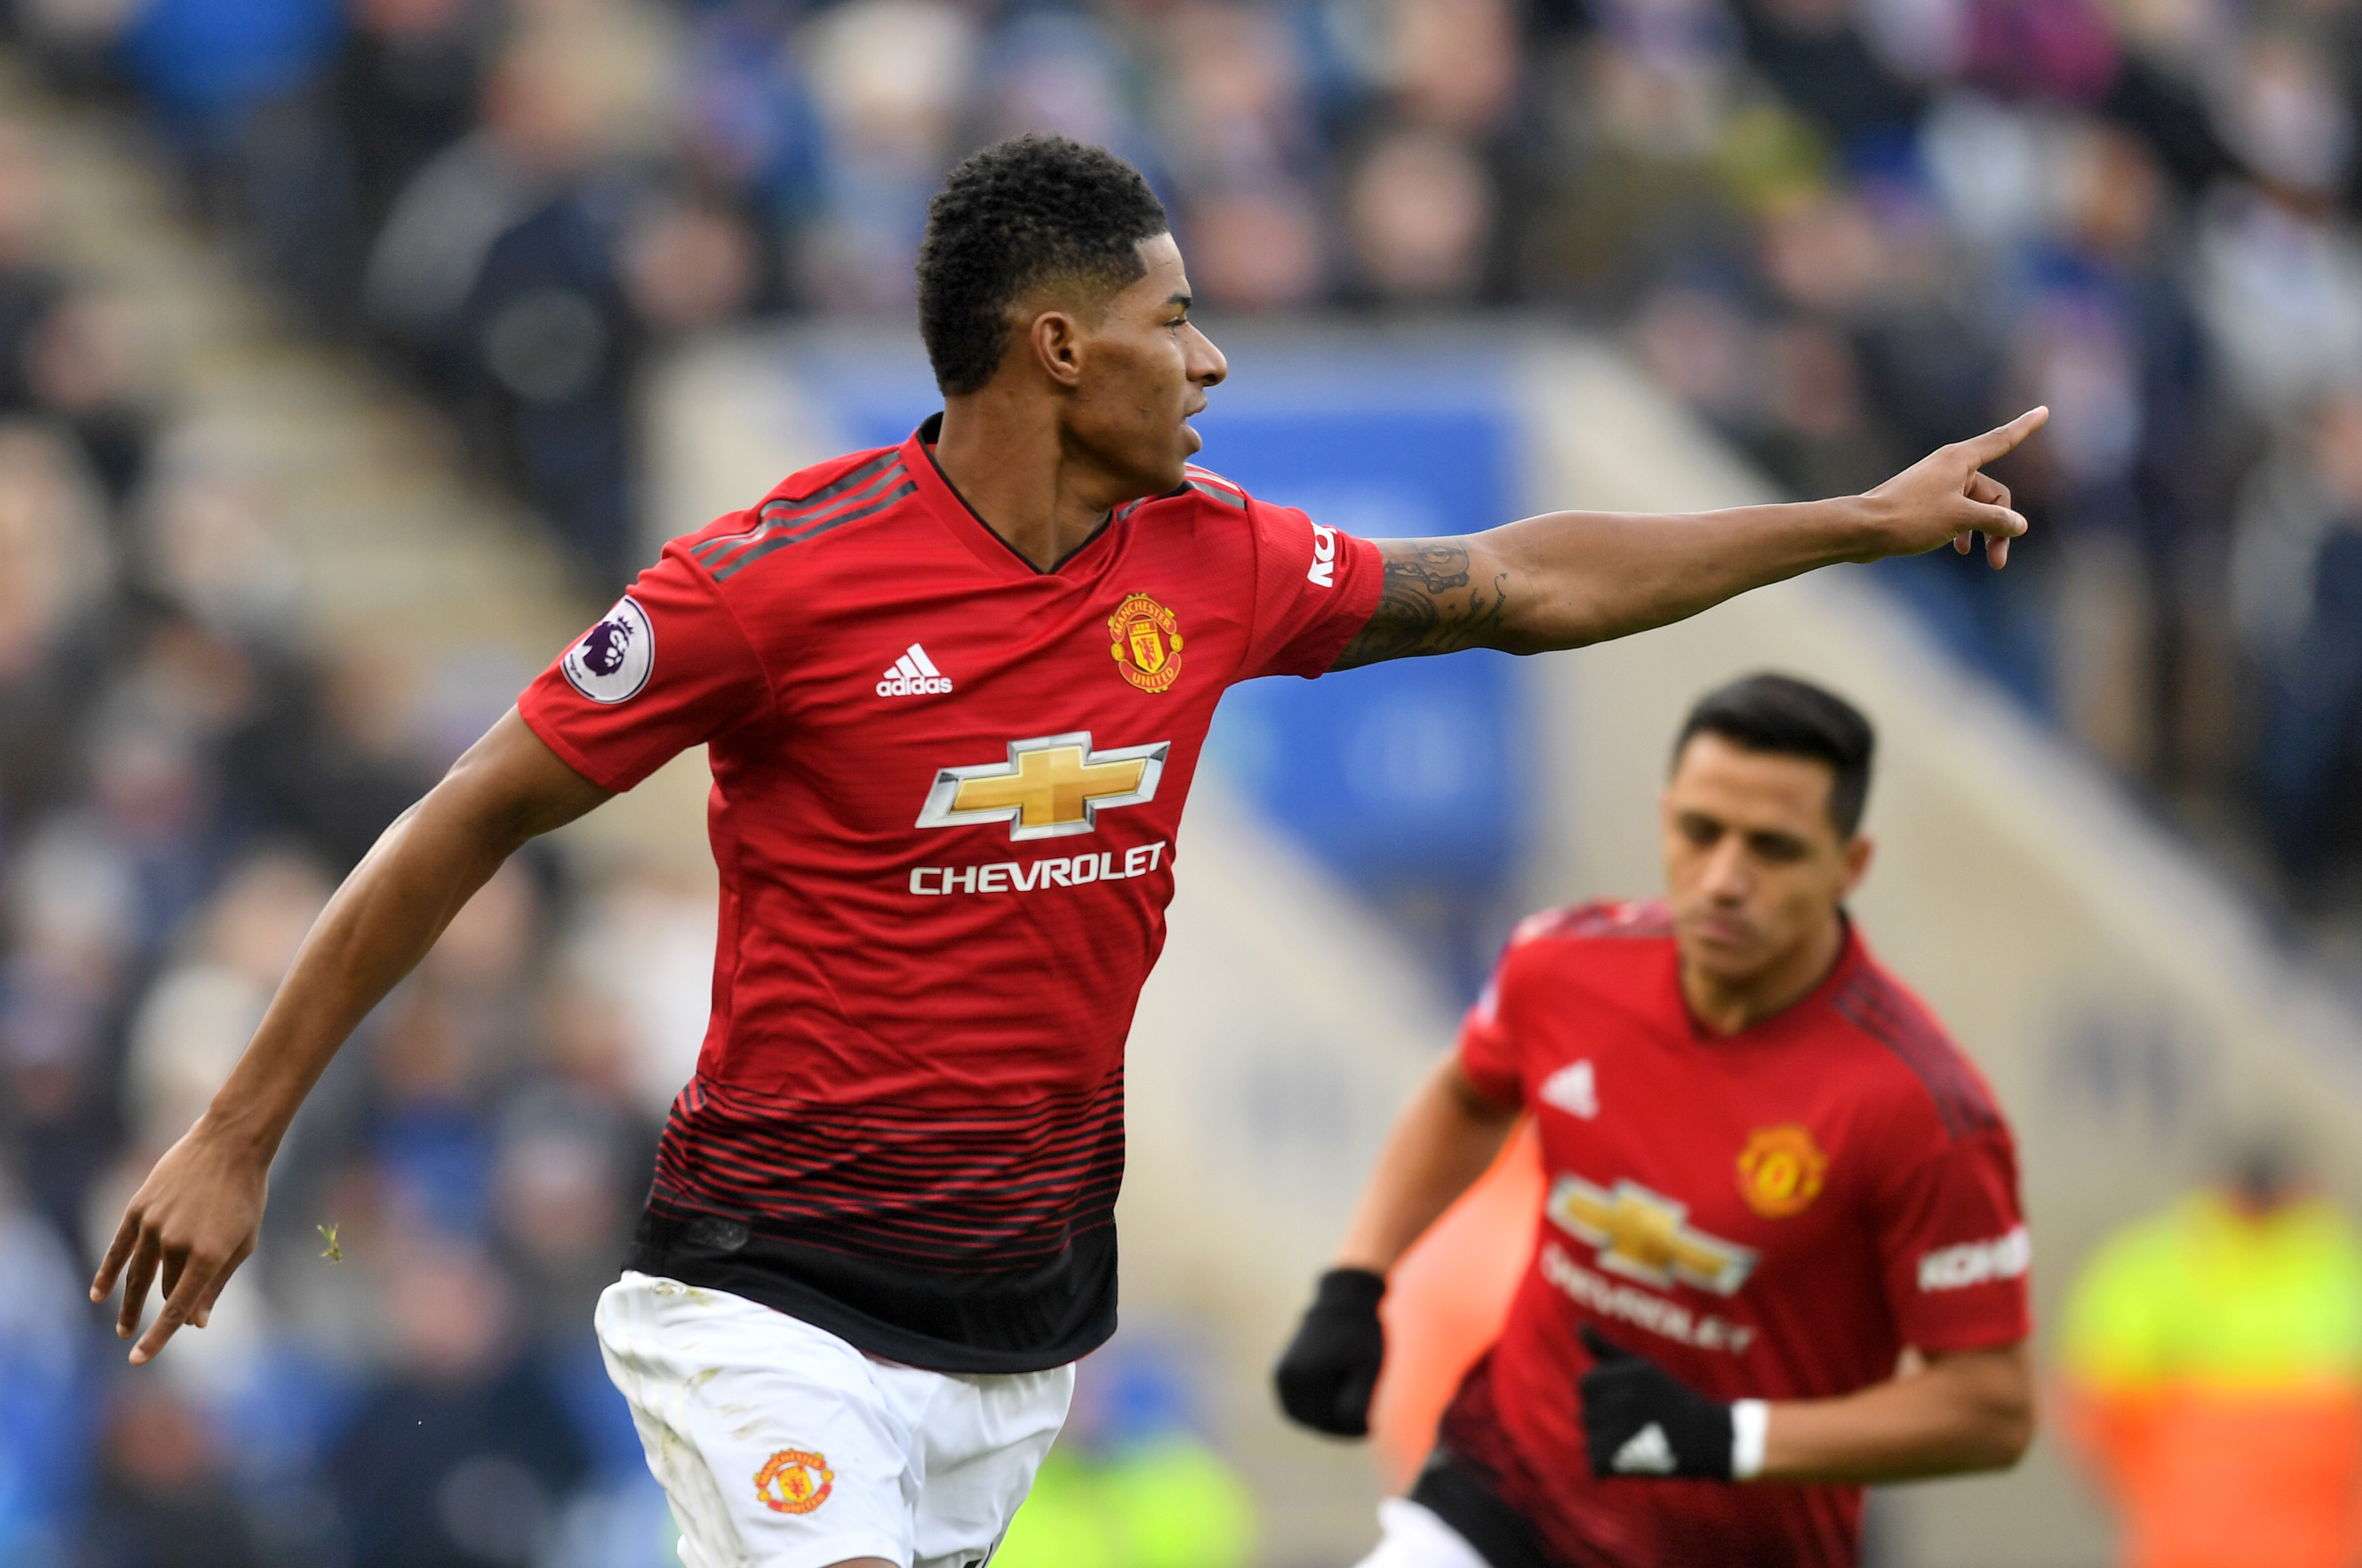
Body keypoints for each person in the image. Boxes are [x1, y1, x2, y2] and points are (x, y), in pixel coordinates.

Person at [91, 134, 2045, 1568]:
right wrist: (244, 1130)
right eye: (1170, 320)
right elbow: (466, 816)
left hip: (1015, 1350)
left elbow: (1521, 579)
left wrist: (1844, 521)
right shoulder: (771, 585)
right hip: (765, 1310)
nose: (1208, 364)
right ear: (1051, 348)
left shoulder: (1218, 561)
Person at [1274, 674, 2036, 1568]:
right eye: (1700, 832)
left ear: (1849, 866)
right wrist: (1355, 1285)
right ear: (1663, 814)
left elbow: (1991, 1409)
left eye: (1774, 849)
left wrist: (1727, 1438)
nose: (1722, 880)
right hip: (1506, 1494)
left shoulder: (1921, 1109)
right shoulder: (1559, 967)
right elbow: (1469, 1092)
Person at [2058, 1144, 2362, 1568]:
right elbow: (2097, 1416)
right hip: (2196, 1545)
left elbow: (2095, 1420)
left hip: (2296, 1545)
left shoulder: (2148, 1266)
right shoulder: (2152, 1269)